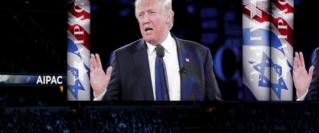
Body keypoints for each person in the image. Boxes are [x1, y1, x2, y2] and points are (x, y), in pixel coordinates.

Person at [90, 0, 221, 101]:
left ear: (168, 17)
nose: (145, 20)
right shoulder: (122, 57)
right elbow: (112, 114)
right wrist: (101, 94)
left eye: (151, 13)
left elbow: (215, 107)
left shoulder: (199, 54)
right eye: (141, 15)